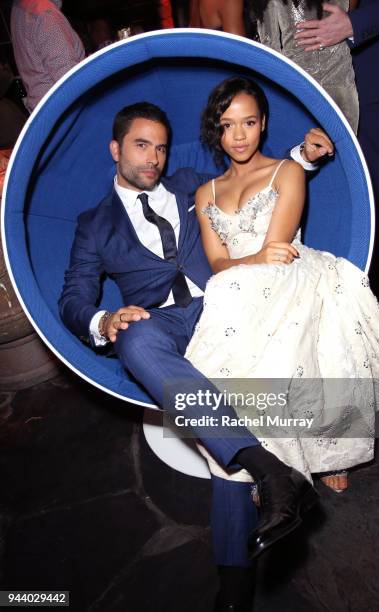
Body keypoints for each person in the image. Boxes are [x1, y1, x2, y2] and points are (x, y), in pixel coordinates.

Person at [59, 101, 334, 612]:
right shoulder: (93, 224)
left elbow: (248, 177)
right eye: (142, 145)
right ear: (115, 149)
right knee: (134, 339)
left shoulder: (189, 183)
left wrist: (304, 156)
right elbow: (73, 296)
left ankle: (232, 595)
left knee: (218, 444)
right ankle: (267, 466)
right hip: (160, 322)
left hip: (225, 305)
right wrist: (103, 320)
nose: (154, 158)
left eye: (161, 147)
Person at [184, 75, 379, 515]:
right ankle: (274, 462)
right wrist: (246, 264)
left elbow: (278, 245)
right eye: (227, 125)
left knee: (267, 309)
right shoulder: (204, 192)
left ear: (263, 123)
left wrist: (248, 264)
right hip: (240, 278)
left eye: (248, 122)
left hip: (290, 268)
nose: (239, 135)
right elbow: (217, 263)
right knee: (227, 292)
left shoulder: (287, 171)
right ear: (216, 130)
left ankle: (327, 451)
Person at [293, 0, 379, 278]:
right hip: (313, 60)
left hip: (373, 60)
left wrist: (353, 24)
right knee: (315, 154)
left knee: (374, 163)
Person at [253, 0, 359, 133]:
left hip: (341, 83)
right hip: (299, 87)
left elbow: (348, 18)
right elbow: (269, 49)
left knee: (346, 149)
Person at [10, 0, 85, 112]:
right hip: (65, 112)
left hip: (46, 113)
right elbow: (70, 81)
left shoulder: (19, 8)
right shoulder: (45, 14)